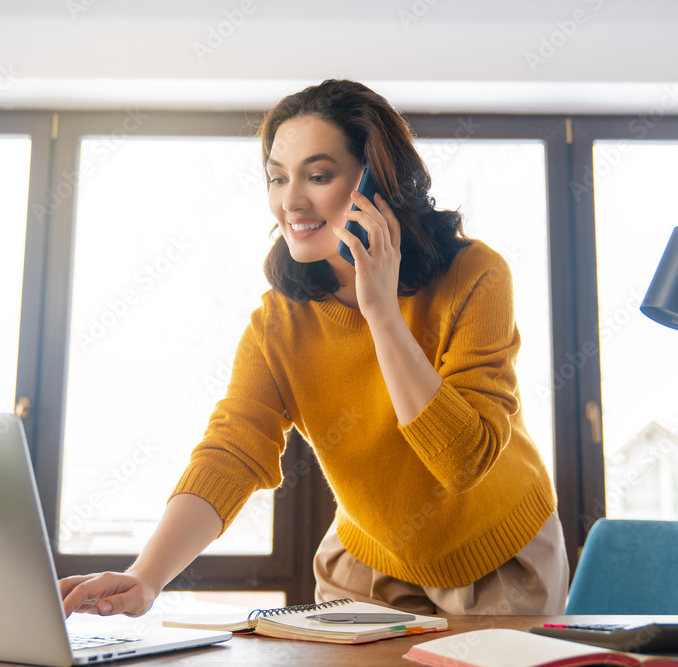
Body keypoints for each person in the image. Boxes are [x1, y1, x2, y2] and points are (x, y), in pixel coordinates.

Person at [60, 79, 568, 618]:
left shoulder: (476, 275)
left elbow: (464, 461)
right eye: (277, 178)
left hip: (497, 554)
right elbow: (232, 451)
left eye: (318, 176)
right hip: (367, 561)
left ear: (378, 181)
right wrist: (145, 577)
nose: (290, 201)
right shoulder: (278, 322)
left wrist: (382, 314)